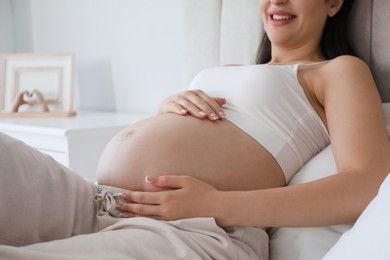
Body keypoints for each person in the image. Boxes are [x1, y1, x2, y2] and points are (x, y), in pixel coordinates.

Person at [0, 0, 389, 259]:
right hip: (102, 201)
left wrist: (215, 205)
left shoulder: (338, 71)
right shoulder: (227, 70)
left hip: (200, 231)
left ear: (334, 1)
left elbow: (367, 184)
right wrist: (166, 109)